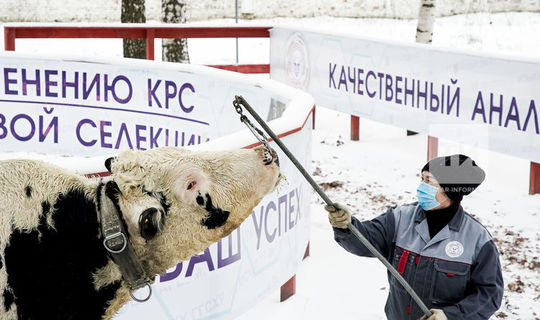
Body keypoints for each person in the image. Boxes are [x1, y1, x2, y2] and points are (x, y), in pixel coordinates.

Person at [325, 154, 503, 320]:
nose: (421, 186)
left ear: (450, 189)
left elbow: (489, 295)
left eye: (429, 181)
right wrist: (346, 226)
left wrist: (451, 316)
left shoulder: (477, 239)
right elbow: (366, 241)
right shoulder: (401, 218)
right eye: (422, 179)